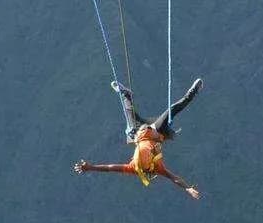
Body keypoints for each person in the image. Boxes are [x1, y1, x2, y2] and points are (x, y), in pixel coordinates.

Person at [73, 78, 203, 199]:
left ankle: (125, 94)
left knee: (128, 111)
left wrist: (90, 167)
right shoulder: (157, 167)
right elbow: (174, 178)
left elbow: (110, 168)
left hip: (139, 133)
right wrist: (187, 188)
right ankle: (193, 92)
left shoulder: (134, 167)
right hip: (155, 131)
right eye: (147, 160)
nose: (144, 158)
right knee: (172, 110)